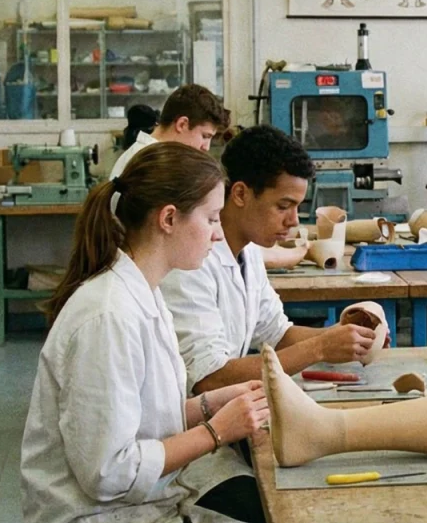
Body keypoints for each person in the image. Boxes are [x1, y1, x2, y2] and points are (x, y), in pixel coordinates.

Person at [21, 142, 275, 523]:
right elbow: (108, 471)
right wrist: (216, 431)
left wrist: (214, 402)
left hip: (139, 514)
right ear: (169, 219)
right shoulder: (108, 315)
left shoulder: (144, 292)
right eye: (211, 218)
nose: (218, 232)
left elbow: (141, 416)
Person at [161, 125, 379, 395]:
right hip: (191, 420)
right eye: (283, 206)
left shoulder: (248, 251)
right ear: (240, 194)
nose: (294, 220)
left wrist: (347, 337)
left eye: (297, 207)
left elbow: (278, 334)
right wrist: (320, 347)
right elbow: (209, 377)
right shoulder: (190, 262)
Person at [111, 83, 230, 179]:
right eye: (205, 136)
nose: (206, 147)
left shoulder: (151, 153)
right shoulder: (151, 164)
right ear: (182, 124)